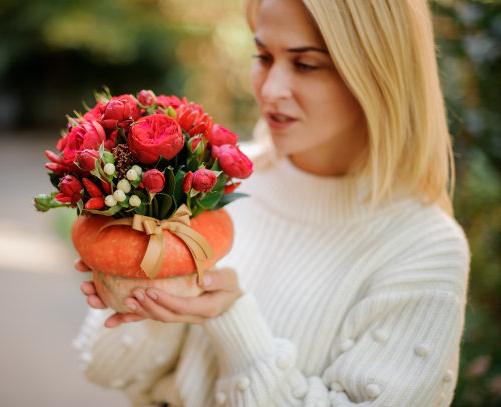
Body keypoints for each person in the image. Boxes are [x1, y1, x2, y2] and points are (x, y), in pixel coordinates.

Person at [71, 0, 470, 406]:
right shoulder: (207, 183)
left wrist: (231, 321)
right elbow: (101, 368)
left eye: (306, 64)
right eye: (263, 56)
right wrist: (156, 293)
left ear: (378, 74)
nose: (270, 88)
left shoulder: (425, 248)